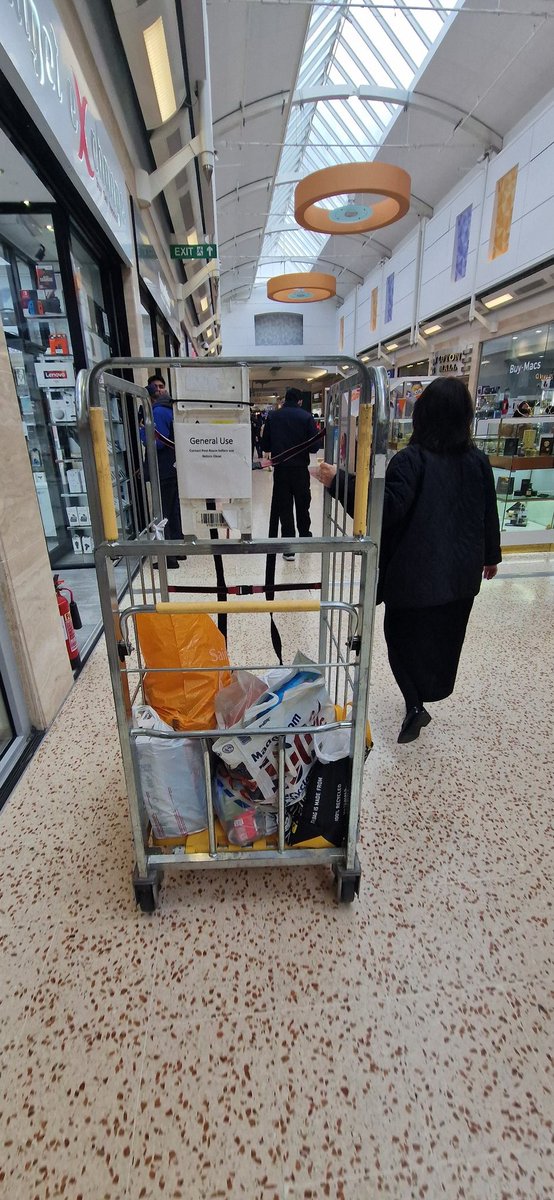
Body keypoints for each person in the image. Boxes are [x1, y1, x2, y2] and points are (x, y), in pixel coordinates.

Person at [315, 377, 501, 743]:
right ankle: (428, 692)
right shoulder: (478, 461)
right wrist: (491, 556)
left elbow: (385, 510)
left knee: (399, 639)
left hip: (415, 577)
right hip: (461, 577)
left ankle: (415, 703)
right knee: (445, 640)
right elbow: (488, 513)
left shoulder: (411, 461)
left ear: (423, 415)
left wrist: (339, 480)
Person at [261, 388, 321, 560]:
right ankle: (304, 539)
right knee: (303, 506)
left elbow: (265, 445)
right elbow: (315, 447)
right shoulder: (307, 417)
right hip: (300, 471)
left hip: (281, 471)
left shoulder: (273, 417)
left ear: (284, 399)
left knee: (284, 509)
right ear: (300, 401)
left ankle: (289, 548)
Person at [143, 376, 185, 570]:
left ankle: (169, 558)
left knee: (163, 513)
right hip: (174, 467)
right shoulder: (170, 410)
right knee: (173, 509)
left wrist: (142, 431)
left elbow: (157, 442)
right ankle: (179, 549)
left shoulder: (157, 412)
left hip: (163, 468)